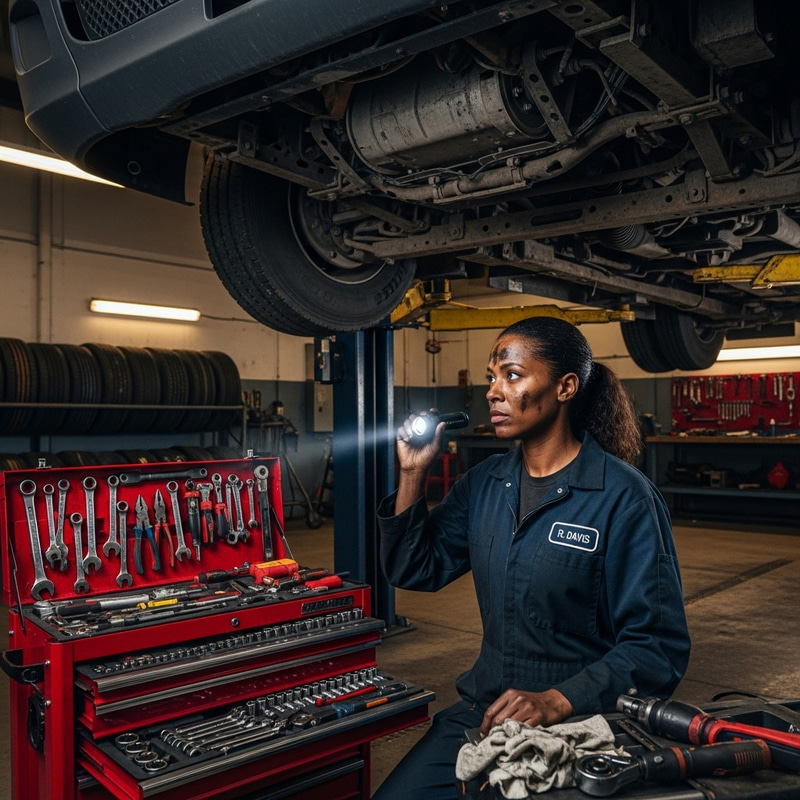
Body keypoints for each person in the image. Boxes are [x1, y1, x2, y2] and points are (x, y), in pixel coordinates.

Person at [374, 316, 690, 799]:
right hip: (486, 712)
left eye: (513, 375)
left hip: (585, 720)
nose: (494, 392)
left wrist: (557, 700)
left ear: (565, 387)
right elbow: (414, 567)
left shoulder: (623, 498)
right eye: (491, 378)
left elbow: (657, 647)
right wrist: (412, 474)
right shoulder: (485, 485)